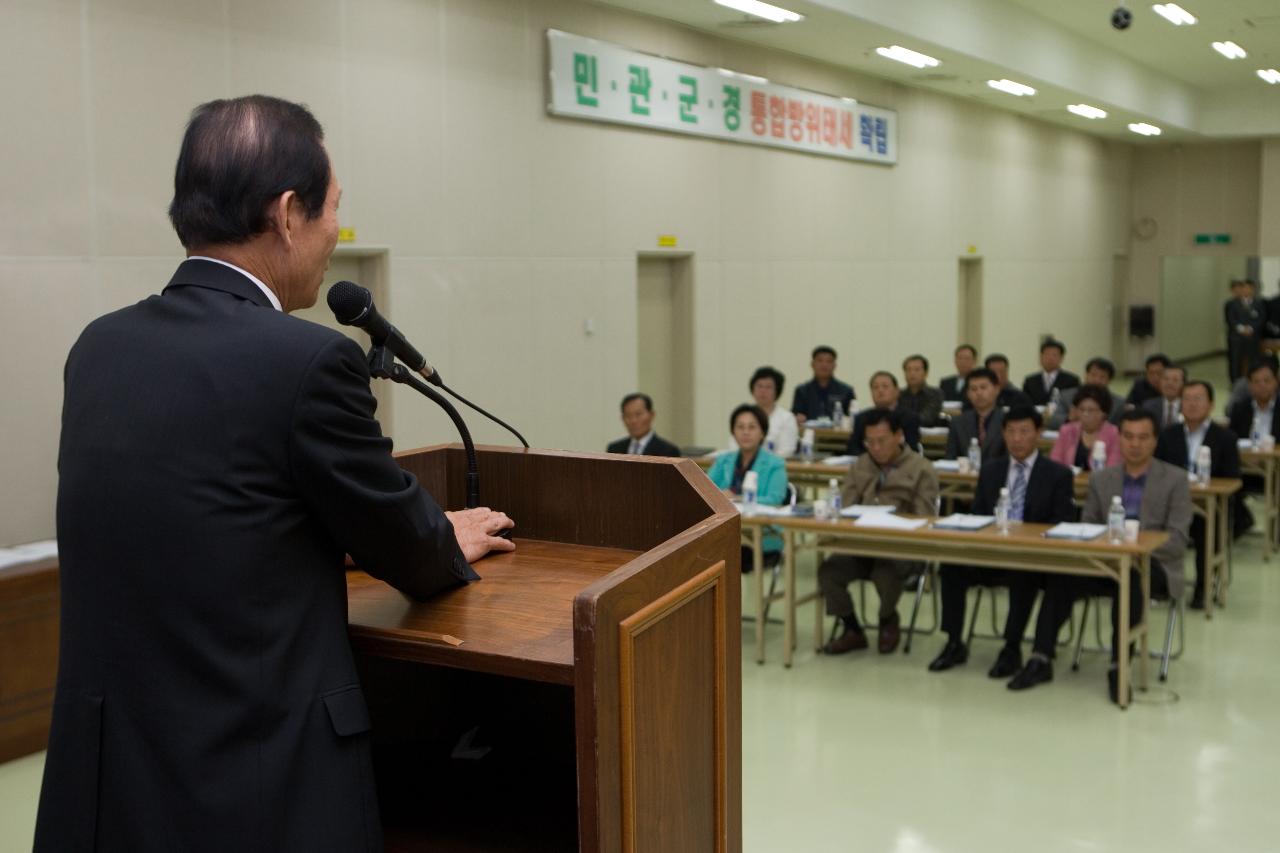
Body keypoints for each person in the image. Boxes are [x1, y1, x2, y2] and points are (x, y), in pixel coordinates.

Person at [36, 96, 516, 853]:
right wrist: (444, 534)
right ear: (288, 213)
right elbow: (411, 551)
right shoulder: (306, 360)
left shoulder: (99, 350)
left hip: (114, 785)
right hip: (254, 784)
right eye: (333, 212)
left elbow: (206, 518)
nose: (334, 237)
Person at [1008, 410, 1190, 703]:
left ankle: (1119, 665)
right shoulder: (1103, 478)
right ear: (1119, 440)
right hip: (1103, 561)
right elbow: (1088, 527)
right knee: (1061, 575)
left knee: (1129, 581)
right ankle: (1041, 658)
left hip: (1152, 566)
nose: (1135, 444)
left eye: (1143, 438)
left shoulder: (1175, 479)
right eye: (1129, 437)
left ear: (1155, 441)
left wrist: (1134, 546)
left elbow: (1178, 540)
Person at [928, 406, 1075, 678]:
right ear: (1003, 434)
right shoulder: (992, 470)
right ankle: (953, 642)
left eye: (1024, 432)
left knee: (1022, 572)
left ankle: (1011, 646)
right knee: (951, 566)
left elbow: (1061, 523)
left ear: (1038, 434)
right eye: (1011, 432)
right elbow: (979, 515)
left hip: (1035, 557)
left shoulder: (1057, 474)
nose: (1017, 439)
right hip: (993, 551)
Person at [819, 410, 939, 655]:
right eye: (869, 442)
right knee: (829, 571)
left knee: (884, 572)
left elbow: (925, 517)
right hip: (861, 545)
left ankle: (887, 620)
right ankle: (852, 628)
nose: (876, 447)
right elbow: (844, 506)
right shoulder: (860, 464)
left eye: (882, 440)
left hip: (901, 548)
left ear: (899, 436)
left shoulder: (921, 468)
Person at [1155, 381, 1244, 608]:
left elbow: (1233, 478)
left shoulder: (1226, 437)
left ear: (1211, 404)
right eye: (1187, 399)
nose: (1192, 404)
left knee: (1207, 527)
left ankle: (1203, 589)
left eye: (1198, 399)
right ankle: (1160, 585)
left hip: (1208, 507)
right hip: (1171, 507)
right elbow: (1158, 472)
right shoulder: (1167, 435)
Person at [707, 404, 788, 572]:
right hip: (726, 531)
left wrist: (737, 498)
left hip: (763, 534)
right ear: (733, 432)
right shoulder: (723, 460)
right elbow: (704, 490)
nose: (745, 432)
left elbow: (774, 499)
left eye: (752, 427)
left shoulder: (775, 464)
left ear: (762, 433)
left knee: (725, 556)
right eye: (740, 427)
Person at [845, 372, 921, 455]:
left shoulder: (909, 418)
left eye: (885, 386)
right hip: (868, 464)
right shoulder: (862, 418)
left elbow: (912, 449)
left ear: (897, 391)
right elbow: (852, 448)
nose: (880, 390)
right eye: (875, 387)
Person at [1049, 384, 1121, 471]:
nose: (1085, 414)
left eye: (1091, 410)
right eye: (1081, 409)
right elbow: (1054, 463)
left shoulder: (1114, 433)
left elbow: (1113, 468)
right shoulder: (1067, 430)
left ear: (1103, 413)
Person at [944, 368, 1006, 461]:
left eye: (983, 387)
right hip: (965, 474)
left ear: (997, 389)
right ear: (968, 393)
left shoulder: (1007, 421)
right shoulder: (958, 422)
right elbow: (950, 459)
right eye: (973, 389)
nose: (979, 393)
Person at [1046, 357, 1124, 429]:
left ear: (1109, 380)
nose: (1097, 380)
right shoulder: (1067, 396)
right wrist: (1069, 418)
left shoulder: (1118, 403)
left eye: (1102, 377)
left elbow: (1122, 427)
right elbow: (1053, 421)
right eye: (1093, 375)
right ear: (1086, 375)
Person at [741, 366, 798, 456]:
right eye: (759, 386)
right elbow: (734, 445)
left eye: (768, 387)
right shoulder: (743, 415)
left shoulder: (787, 418)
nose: (763, 391)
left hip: (774, 466)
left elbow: (787, 450)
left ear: (777, 391)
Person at [791, 345, 855, 425]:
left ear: (834, 366)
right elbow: (795, 416)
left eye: (829, 361)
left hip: (838, 436)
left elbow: (852, 418)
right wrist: (798, 418)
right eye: (820, 360)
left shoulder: (846, 391)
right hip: (809, 435)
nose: (824, 365)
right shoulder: (802, 391)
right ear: (812, 364)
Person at [606, 393, 682, 456]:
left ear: (651, 415)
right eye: (628, 415)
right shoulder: (614, 450)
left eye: (638, 414)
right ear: (622, 418)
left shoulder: (668, 451)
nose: (633, 421)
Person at [1228, 360, 1280, 447]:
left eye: (1266, 381)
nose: (1262, 385)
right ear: (1250, 385)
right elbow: (1231, 441)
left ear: (1276, 382)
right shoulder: (1240, 408)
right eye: (1256, 381)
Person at [1225, 278, 1264, 382]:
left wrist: (1251, 328)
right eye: (1244, 288)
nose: (1246, 290)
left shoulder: (1259, 303)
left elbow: (1261, 319)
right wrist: (1242, 329)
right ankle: (1235, 383)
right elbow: (1231, 319)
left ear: (1253, 289)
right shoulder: (1232, 304)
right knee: (1235, 361)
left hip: (1253, 337)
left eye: (1249, 288)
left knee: (1253, 361)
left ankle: (1252, 381)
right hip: (1237, 338)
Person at [1021, 338, 1079, 406]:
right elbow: (1025, 404)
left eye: (1054, 355)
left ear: (1062, 358)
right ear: (1040, 357)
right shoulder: (1030, 381)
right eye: (1047, 354)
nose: (1050, 358)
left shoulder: (1071, 381)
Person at [899, 354, 944, 426]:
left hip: (928, 435)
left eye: (917, 370)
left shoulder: (935, 394)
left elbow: (928, 418)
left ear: (926, 373)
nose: (912, 373)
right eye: (908, 370)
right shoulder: (898, 395)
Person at [1141, 364, 1186, 429]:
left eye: (1175, 380)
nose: (1170, 383)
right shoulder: (1148, 406)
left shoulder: (1188, 406)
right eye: (1166, 379)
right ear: (1160, 382)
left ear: (1183, 384)